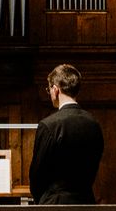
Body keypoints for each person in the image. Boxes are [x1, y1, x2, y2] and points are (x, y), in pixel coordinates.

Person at [29, 64, 104, 204]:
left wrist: (42, 200)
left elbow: (36, 176)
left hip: (55, 203)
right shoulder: (94, 124)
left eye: (49, 89)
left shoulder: (48, 125)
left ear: (56, 89)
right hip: (86, 201)